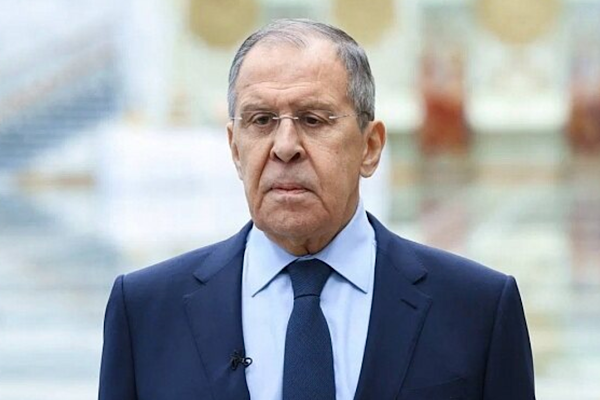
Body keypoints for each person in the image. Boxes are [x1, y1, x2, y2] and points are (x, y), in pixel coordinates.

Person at [99, 19, 535, 400]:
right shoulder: (146, 311)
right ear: (234, 148)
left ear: (370, 147)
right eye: (261, 120)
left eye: (313, 119)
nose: (285, 147)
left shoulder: (476, 309)